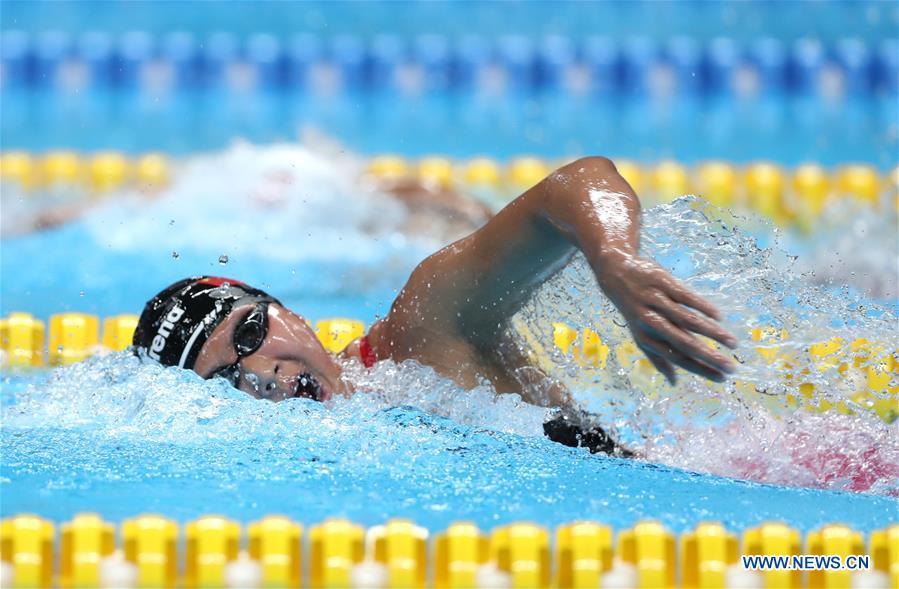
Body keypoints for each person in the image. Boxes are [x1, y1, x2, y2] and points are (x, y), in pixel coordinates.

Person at [133, 156, 738, 456]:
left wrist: (615, 260)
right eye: (226, 380)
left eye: (252, 333)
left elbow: (578, 181)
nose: (262, 375)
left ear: (286, 310)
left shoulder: (421, 331)